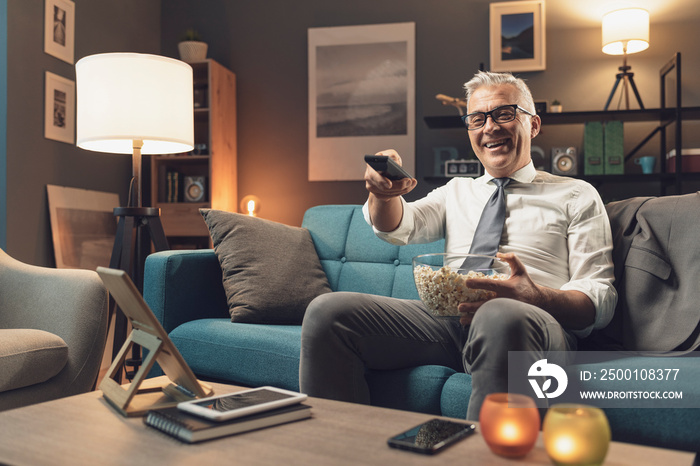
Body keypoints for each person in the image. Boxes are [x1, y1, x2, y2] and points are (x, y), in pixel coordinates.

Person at [299, 71, 617, 420]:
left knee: (501, 314)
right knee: (327, 312)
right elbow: (397, 225)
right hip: (450, 324)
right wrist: (381, 193)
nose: (490, 127)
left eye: (504, 114)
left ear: (534, 125)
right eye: (477, 119)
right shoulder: (456, 191)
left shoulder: (576, 194)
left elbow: (599, 297)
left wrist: (534, 295)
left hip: (533, 326)